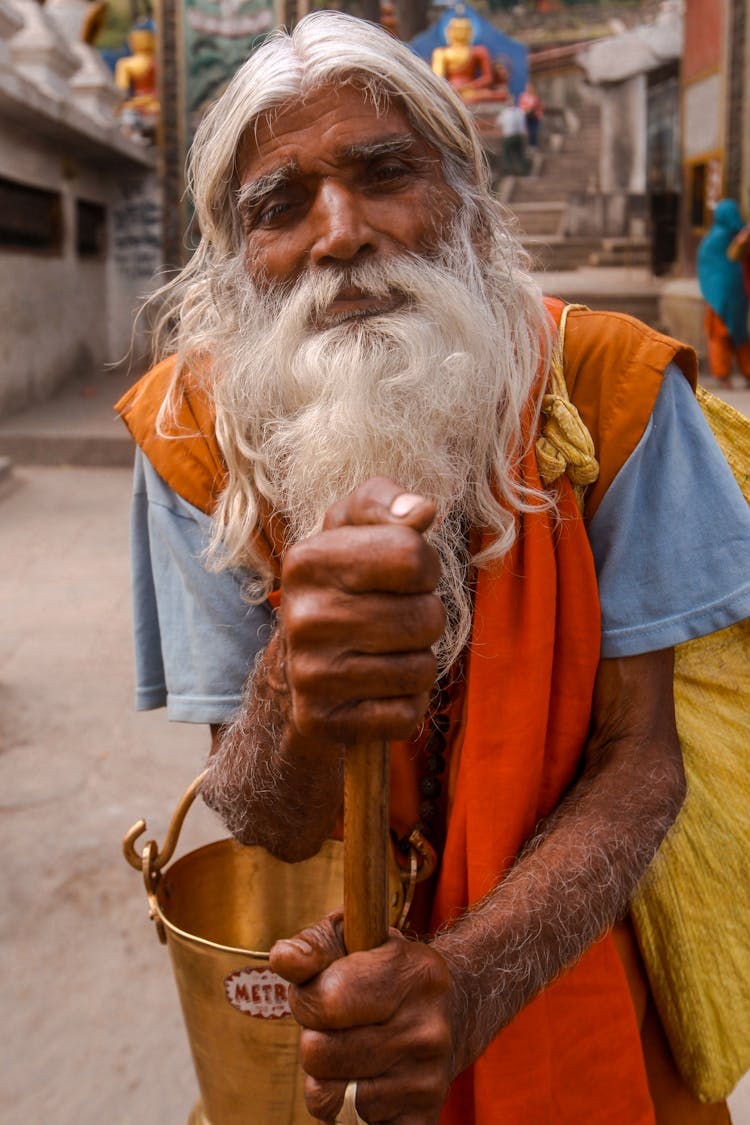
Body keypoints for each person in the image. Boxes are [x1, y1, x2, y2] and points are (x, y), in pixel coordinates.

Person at [118, 12, 750, 1124]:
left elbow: (640, 761)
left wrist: (467, 984)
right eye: (279, 205)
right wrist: (290, 696)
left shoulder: (612, 393)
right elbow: (264, 814)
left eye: (384, 173)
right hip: (327, 1018)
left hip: (575, 990)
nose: (341, 232)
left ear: (468, 192)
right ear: (234, 257)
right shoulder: (192, 435)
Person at [697, 198, 750, 386]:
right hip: (736, 294)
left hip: (717, 296)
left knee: (720, 334)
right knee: (738, 332)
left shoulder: (713, 238)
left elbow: (706, 268)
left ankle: (724, 375)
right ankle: (743, 372)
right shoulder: (736, 236)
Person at [497, 94, 527, 175]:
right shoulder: (520, 111)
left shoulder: (504, 113)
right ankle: (522, 170)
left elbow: (499, 124)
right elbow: (523, 126)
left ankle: (507, 168)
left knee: (506, 153)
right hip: (518, 136)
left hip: (509, 136)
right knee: (520, 154)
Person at [518, 80, 543, 149]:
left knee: (534, 131)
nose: (529, 88)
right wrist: (526, 110)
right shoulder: (523, 96)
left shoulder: (535, 96)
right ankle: (530, 145)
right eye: (528, 87)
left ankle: (534, 145)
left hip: (535, 116)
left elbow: (539, 106)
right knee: (529, 131)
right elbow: (521, 105)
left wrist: (539, 114)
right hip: (527, 116)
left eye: (530, 87)